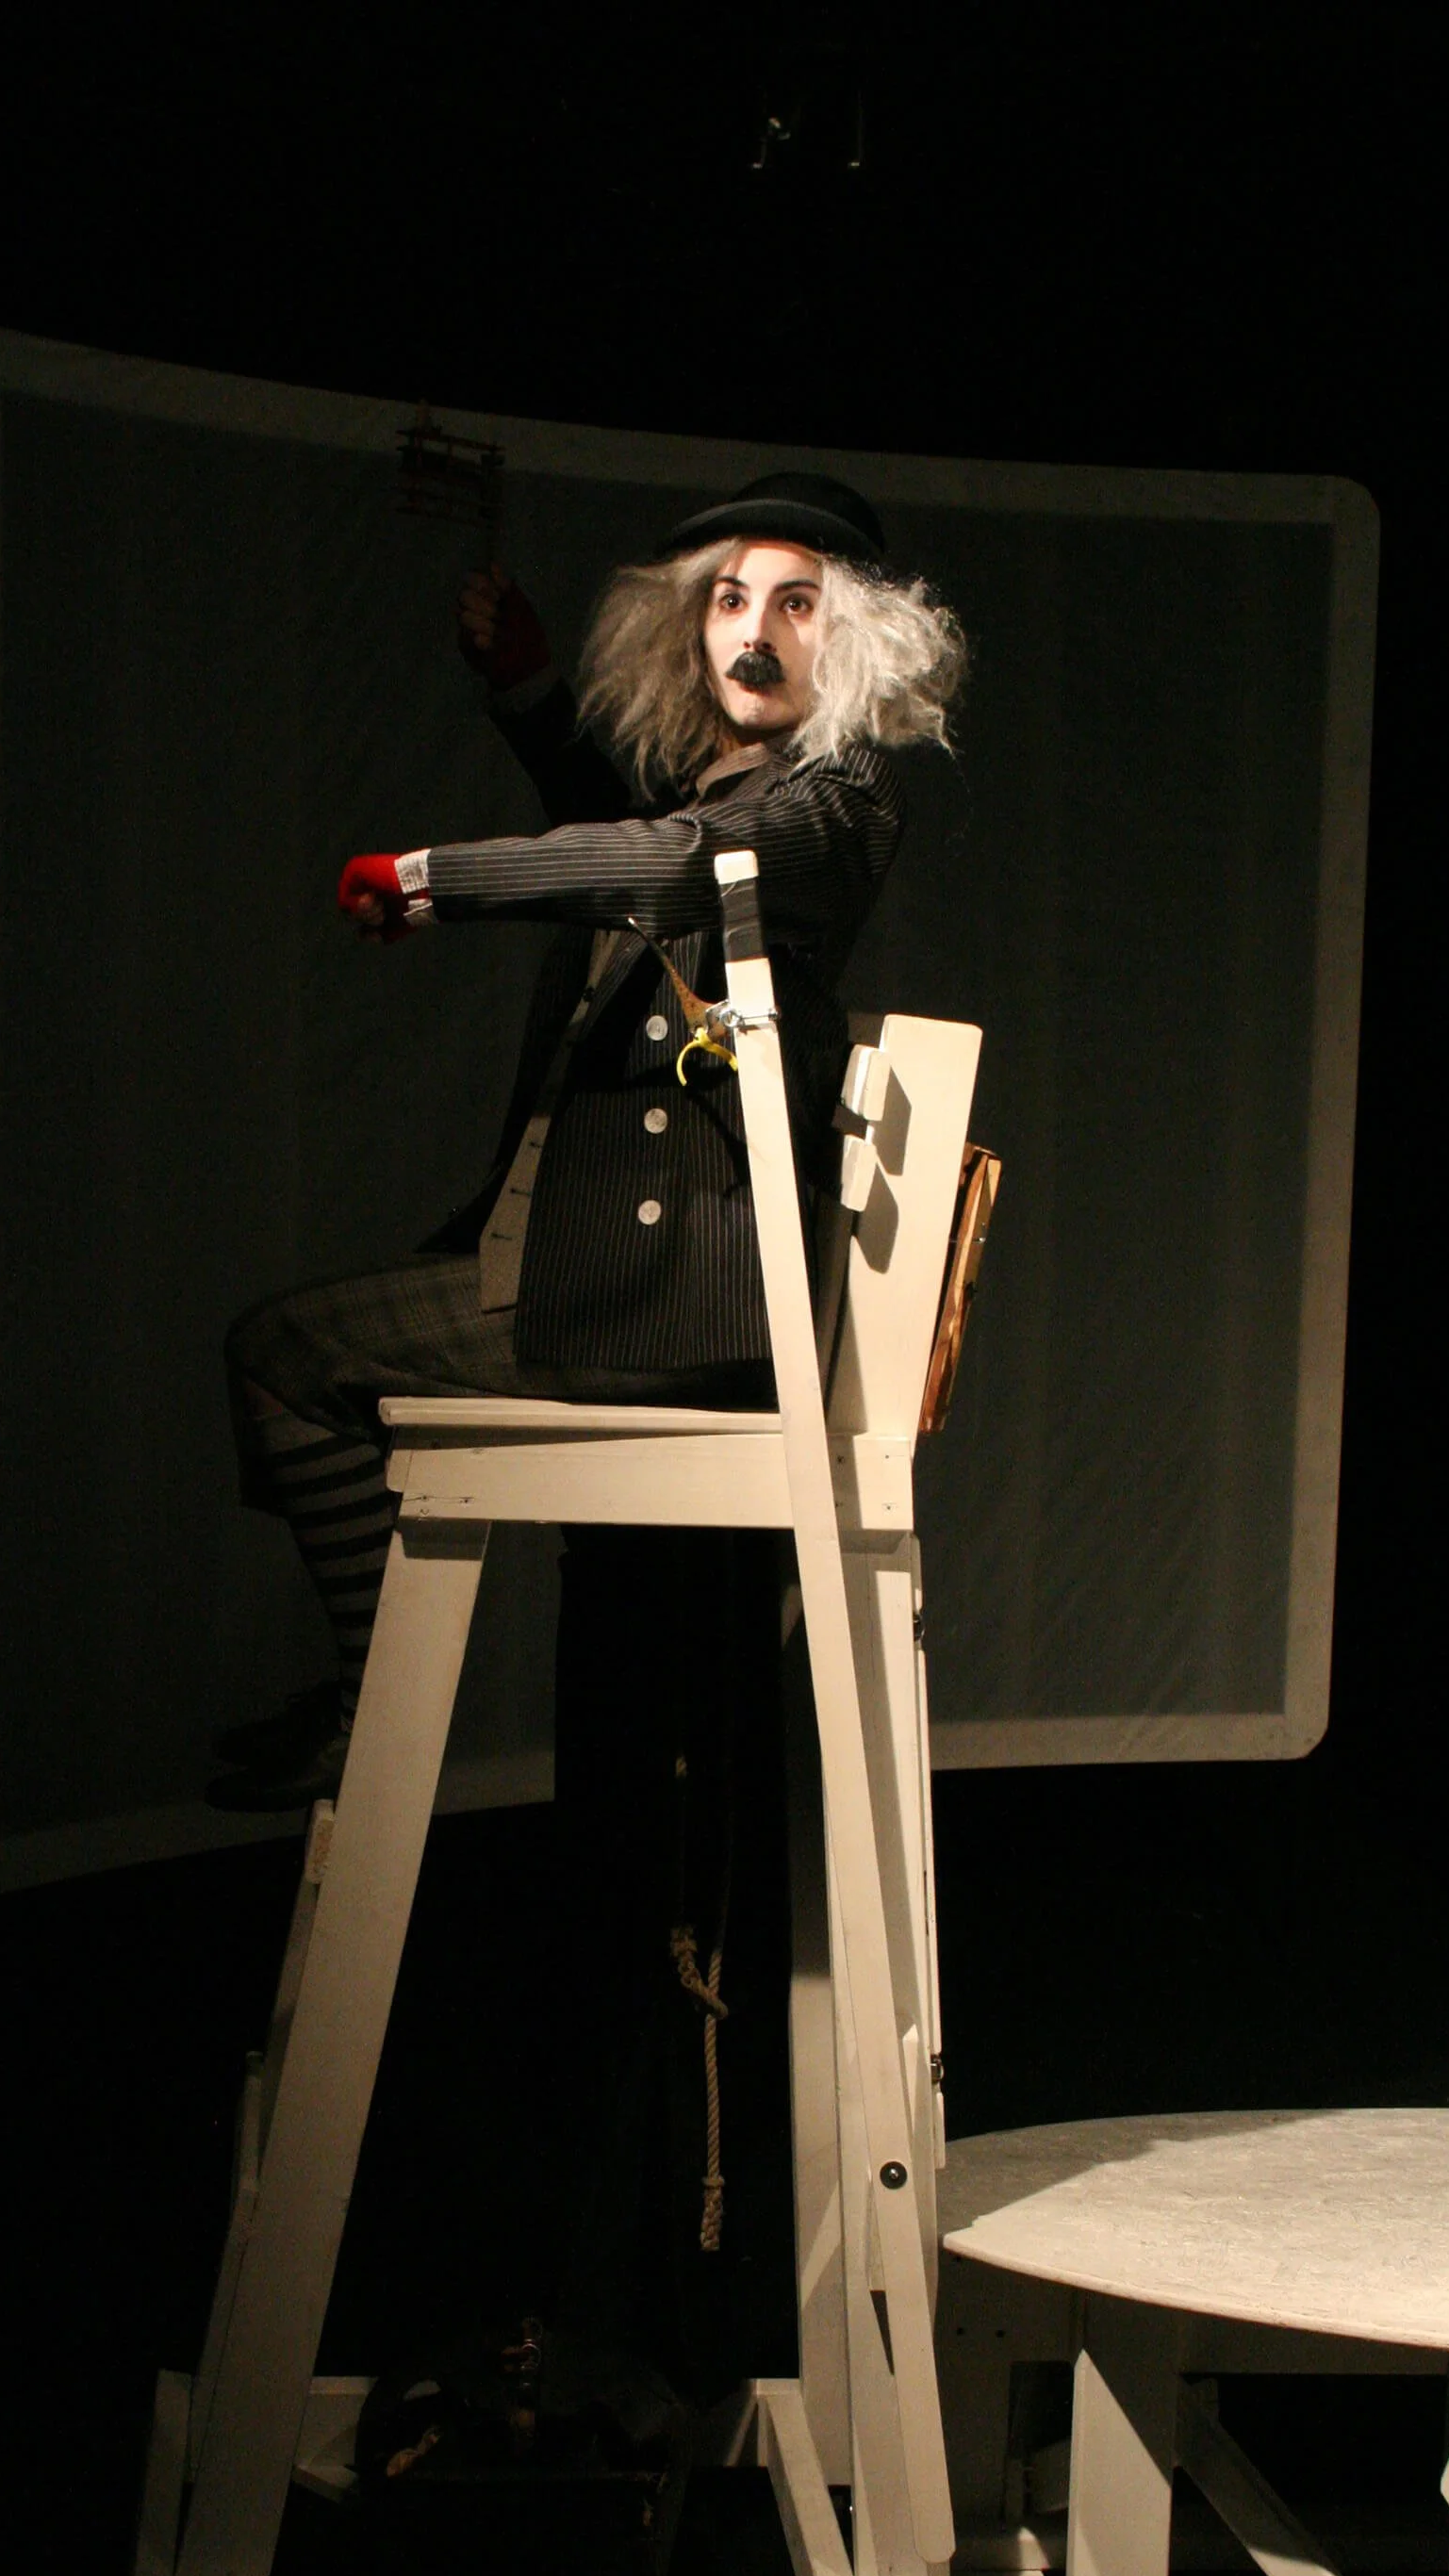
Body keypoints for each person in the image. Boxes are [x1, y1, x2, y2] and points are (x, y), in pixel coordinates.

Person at [209, 472, 963, 1810]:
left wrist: (435, 881)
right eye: (730, 598)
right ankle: (366, 1696)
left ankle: (364, 1704)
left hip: (665, 1306)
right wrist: (531, 698)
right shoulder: (720, 789)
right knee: (293, 1360)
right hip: (614, 1272)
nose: (756, 630)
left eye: (796, 603)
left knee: (286, 1353)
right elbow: (632, 833)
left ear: (852, 635)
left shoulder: (832, 803)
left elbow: (672, 862)